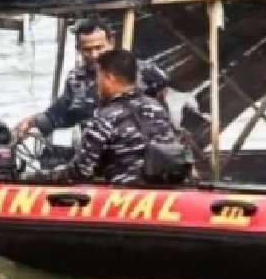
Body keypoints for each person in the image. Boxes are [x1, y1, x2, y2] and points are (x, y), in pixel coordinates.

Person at [34, 49, 188, 184]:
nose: (96, 83)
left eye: (98, 77)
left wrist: (42, 177)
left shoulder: (104, 118)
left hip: (123, 197)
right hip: (164, 193)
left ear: (109, 78)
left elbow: (82, 171)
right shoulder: (157, 108)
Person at [14, 17, 171, 137]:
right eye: (87, 50)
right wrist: (33, 121)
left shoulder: (141, 70)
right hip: (95, 153)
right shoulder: (76, 80)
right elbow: (62, 114)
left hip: (138, 154)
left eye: (99, 48)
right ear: (78, 49)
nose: (94, 55)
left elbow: (168, 102)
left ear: (111, 43)